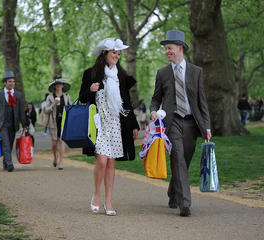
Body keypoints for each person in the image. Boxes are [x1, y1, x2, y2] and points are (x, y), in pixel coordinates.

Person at [150, 30, 211, 217]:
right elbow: (155, 99)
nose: (167, 51)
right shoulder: (162, 73)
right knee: (177, 157)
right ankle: (185, 203)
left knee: (184, 160)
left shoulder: (196, 72)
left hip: (192, 123)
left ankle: (173, 193)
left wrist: (207, 126)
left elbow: (202, 102)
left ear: (180, 48)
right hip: (172, 121)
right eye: (166, 49)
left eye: (170, 48)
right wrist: (153, 111)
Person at [79, 38, 139, 216]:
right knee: (102, 160)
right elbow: (82, 98)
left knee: (111, 162)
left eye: (119, 53)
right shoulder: (90, 73)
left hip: (116, 123)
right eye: (114, 52)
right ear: (105, 53)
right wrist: (90, 90)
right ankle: (96, 195)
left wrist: (134, 124)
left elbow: (127, 102)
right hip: (98, 123)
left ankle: (108, 201)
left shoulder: (121, 77)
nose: (117, 56)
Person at [0, 71, 26, 172]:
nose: (12, 83)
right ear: (5, 83)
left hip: (13, 123)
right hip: (2, 124)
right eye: (10, 81)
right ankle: (10, 164)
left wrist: (24, 125)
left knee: (9, 144)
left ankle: (5, 162)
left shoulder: (18, 95)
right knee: (5, 142)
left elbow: (21, 112)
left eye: (13, 82)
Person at [45, 78, 72, 170]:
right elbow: (46, 109)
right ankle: (55, 157)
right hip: (53, 122)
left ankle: (61, 162)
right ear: (54, 86)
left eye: (60, 84)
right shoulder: (50, 97)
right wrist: (53, 104)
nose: (59, 85)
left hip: (63, 121)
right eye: (57, 84)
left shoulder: (67, 96)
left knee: (61, 141)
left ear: (63, 86)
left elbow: (70, 108)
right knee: (54, 143)